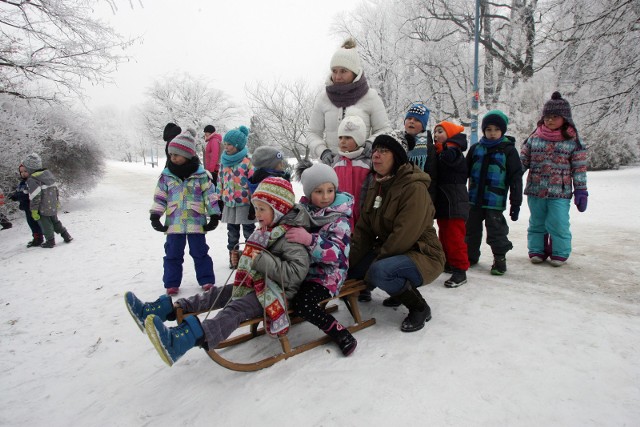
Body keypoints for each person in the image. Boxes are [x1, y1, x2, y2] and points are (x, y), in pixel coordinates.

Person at [125, 177, 310, 367]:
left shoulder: (291, 235)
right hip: (257, 284)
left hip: (277, 293)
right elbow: (260, 257)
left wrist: (260, 261)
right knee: (218, 293)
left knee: (235, 308)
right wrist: (242, 257)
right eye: (256, 208)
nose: (257, 214)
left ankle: (183, 340)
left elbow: (296, 273)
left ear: (278, 209)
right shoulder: (267, 230)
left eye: (262, 209)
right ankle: (164, 309)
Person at [348, 133, 445, 332]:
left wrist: (370, 269)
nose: (376, 155)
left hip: (422, 254)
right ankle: (389, 286)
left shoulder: (414, 188)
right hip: (392, 250)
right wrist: (347, 262)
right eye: (375, 150)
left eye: (384, 151)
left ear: (398, 157)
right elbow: (364, 230)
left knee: (378, 271)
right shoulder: (377, 183)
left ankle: (419, 308)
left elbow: (403, 236)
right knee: (355, 268)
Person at [287, 161, 356, 356]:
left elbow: (337, 254)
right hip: (305, 271)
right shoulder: (304, 211)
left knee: (303, 303)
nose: (325, 197)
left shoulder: (339, 218)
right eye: (318, 191)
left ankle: (340, 332)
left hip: (329, 275)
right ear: (309, 193)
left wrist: (310, 240)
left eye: (330, 190)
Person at [149, 129, 221, 295]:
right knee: (172, 254)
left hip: (196, 222)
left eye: (177, 154)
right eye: (171, 154)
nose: (173, 157)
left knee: (200, 252)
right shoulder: (166, 176)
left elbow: (210, 195)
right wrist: (155, 215)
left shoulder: (201, 175)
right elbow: (160, 197)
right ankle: (172, 283)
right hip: (174, 223)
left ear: (188, 155)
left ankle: (207, 280)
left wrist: (214, 215)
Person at [520, 91, 588, 266]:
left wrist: (581, 190)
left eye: (555, 117)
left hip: (560, 192)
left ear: (565, 118)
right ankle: (537, 250)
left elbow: (579, 168)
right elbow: (523, 161)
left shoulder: (573, 141)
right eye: (547, 117)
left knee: (558, 222)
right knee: (537, 222)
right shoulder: (534, 139)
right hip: (535, 189)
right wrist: (510, 177)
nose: (550, 120)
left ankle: (559, 252)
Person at [307, 38, 392, 164]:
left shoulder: (371, 97)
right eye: (334, 71)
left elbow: (384, 129)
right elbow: (312, 133)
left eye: (343, 71)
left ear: (355, 72)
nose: (337, 76)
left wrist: (371, 143)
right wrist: (323, 151)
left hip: (362, 167)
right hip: (332, 169)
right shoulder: (323, 98)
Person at [465, 110, 523, 275]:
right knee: (470, 230)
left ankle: (499, 259)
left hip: (494, 201)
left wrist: (515, 203)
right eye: (489, 129)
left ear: (502, 131)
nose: (492, 133)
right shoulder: (476, 149)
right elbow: (463, 172)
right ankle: (470, 256)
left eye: (496, 130)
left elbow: (515, 178)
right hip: (473, 200)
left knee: (496, 231)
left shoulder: (508, 151)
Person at [432, 121, 470, 287]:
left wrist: (442, 150)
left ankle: (460, 269)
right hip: (445, 202)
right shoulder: (443, 150)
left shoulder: (454, 150)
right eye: (435, 132)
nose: (436, 135)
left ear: (450, 134)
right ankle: (449, 262)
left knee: (455, 237)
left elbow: (450, 160)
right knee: (445, 235)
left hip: (454, 201)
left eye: (440, 131)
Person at [216, 125, 256, 269]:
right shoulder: (224, 162)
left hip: (245, 204)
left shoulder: (247, 163)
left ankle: (249, 257)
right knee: (232, 233)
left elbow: (253, 182)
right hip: (229, 204)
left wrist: (254, 201)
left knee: (248, 232)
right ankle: (233, 257)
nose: (226, 147)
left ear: (238, 145)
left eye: (229, 144)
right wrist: (219, 197)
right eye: (225, 144)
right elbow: (220, 180)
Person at [22, 153, 73, 248]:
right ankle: (66, 235)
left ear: (30, 168)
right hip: (52, 204)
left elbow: (35, 196)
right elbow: (56, 190)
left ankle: (50, 241)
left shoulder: (33, 180)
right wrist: (57, 201)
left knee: (46, 224)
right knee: (55, 222)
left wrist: (34, 210)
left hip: (42, 207)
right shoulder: (48, 175)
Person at [332, 115, 371, 229]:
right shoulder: (336, 162)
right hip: (340, 219)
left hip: (362, 217)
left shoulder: (368, 163)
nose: (342, 141)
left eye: (348, 137)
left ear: (359, 140)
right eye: (340, 137)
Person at [402, 103, 438, 201]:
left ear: (423, 126)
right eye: (409, 119)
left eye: (417, 120)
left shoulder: (428, 148)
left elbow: (432, 177)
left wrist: (428, 201)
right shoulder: (397, 142)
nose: (412, 122)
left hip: (419, 196)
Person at [8, 165, 43, 246]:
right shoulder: (22, 183)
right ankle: (35, 237)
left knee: (35, 223)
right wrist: (15, 196)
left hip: (32, 206)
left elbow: (30, 194)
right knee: (30, 223)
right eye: (21, 172)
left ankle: (39, 238)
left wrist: (20, 196)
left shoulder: (31, 182)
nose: (23, 174)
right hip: (26, 207)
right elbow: (19, 192)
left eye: (25, 171)